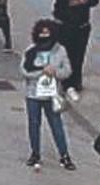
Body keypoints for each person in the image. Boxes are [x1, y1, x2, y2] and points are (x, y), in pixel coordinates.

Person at [21, 20, 75, 172]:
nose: (44, 35)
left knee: (56, 124)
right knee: (33, 124)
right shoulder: (31, 50)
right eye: (41, 32)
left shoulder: (60, 50)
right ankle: (35, 153)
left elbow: (68, 71)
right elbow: (24, 70)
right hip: (33, 94)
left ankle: (64, 155)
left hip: (51, 94)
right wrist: (41, 72)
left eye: (47, 32)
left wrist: (55, 73)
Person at [52, 0, 98, 102]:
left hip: (82, 25)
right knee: (63, 54)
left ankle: (74, 82)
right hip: (63, 24)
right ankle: (64, 82)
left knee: (78, 55)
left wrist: (82, 2)